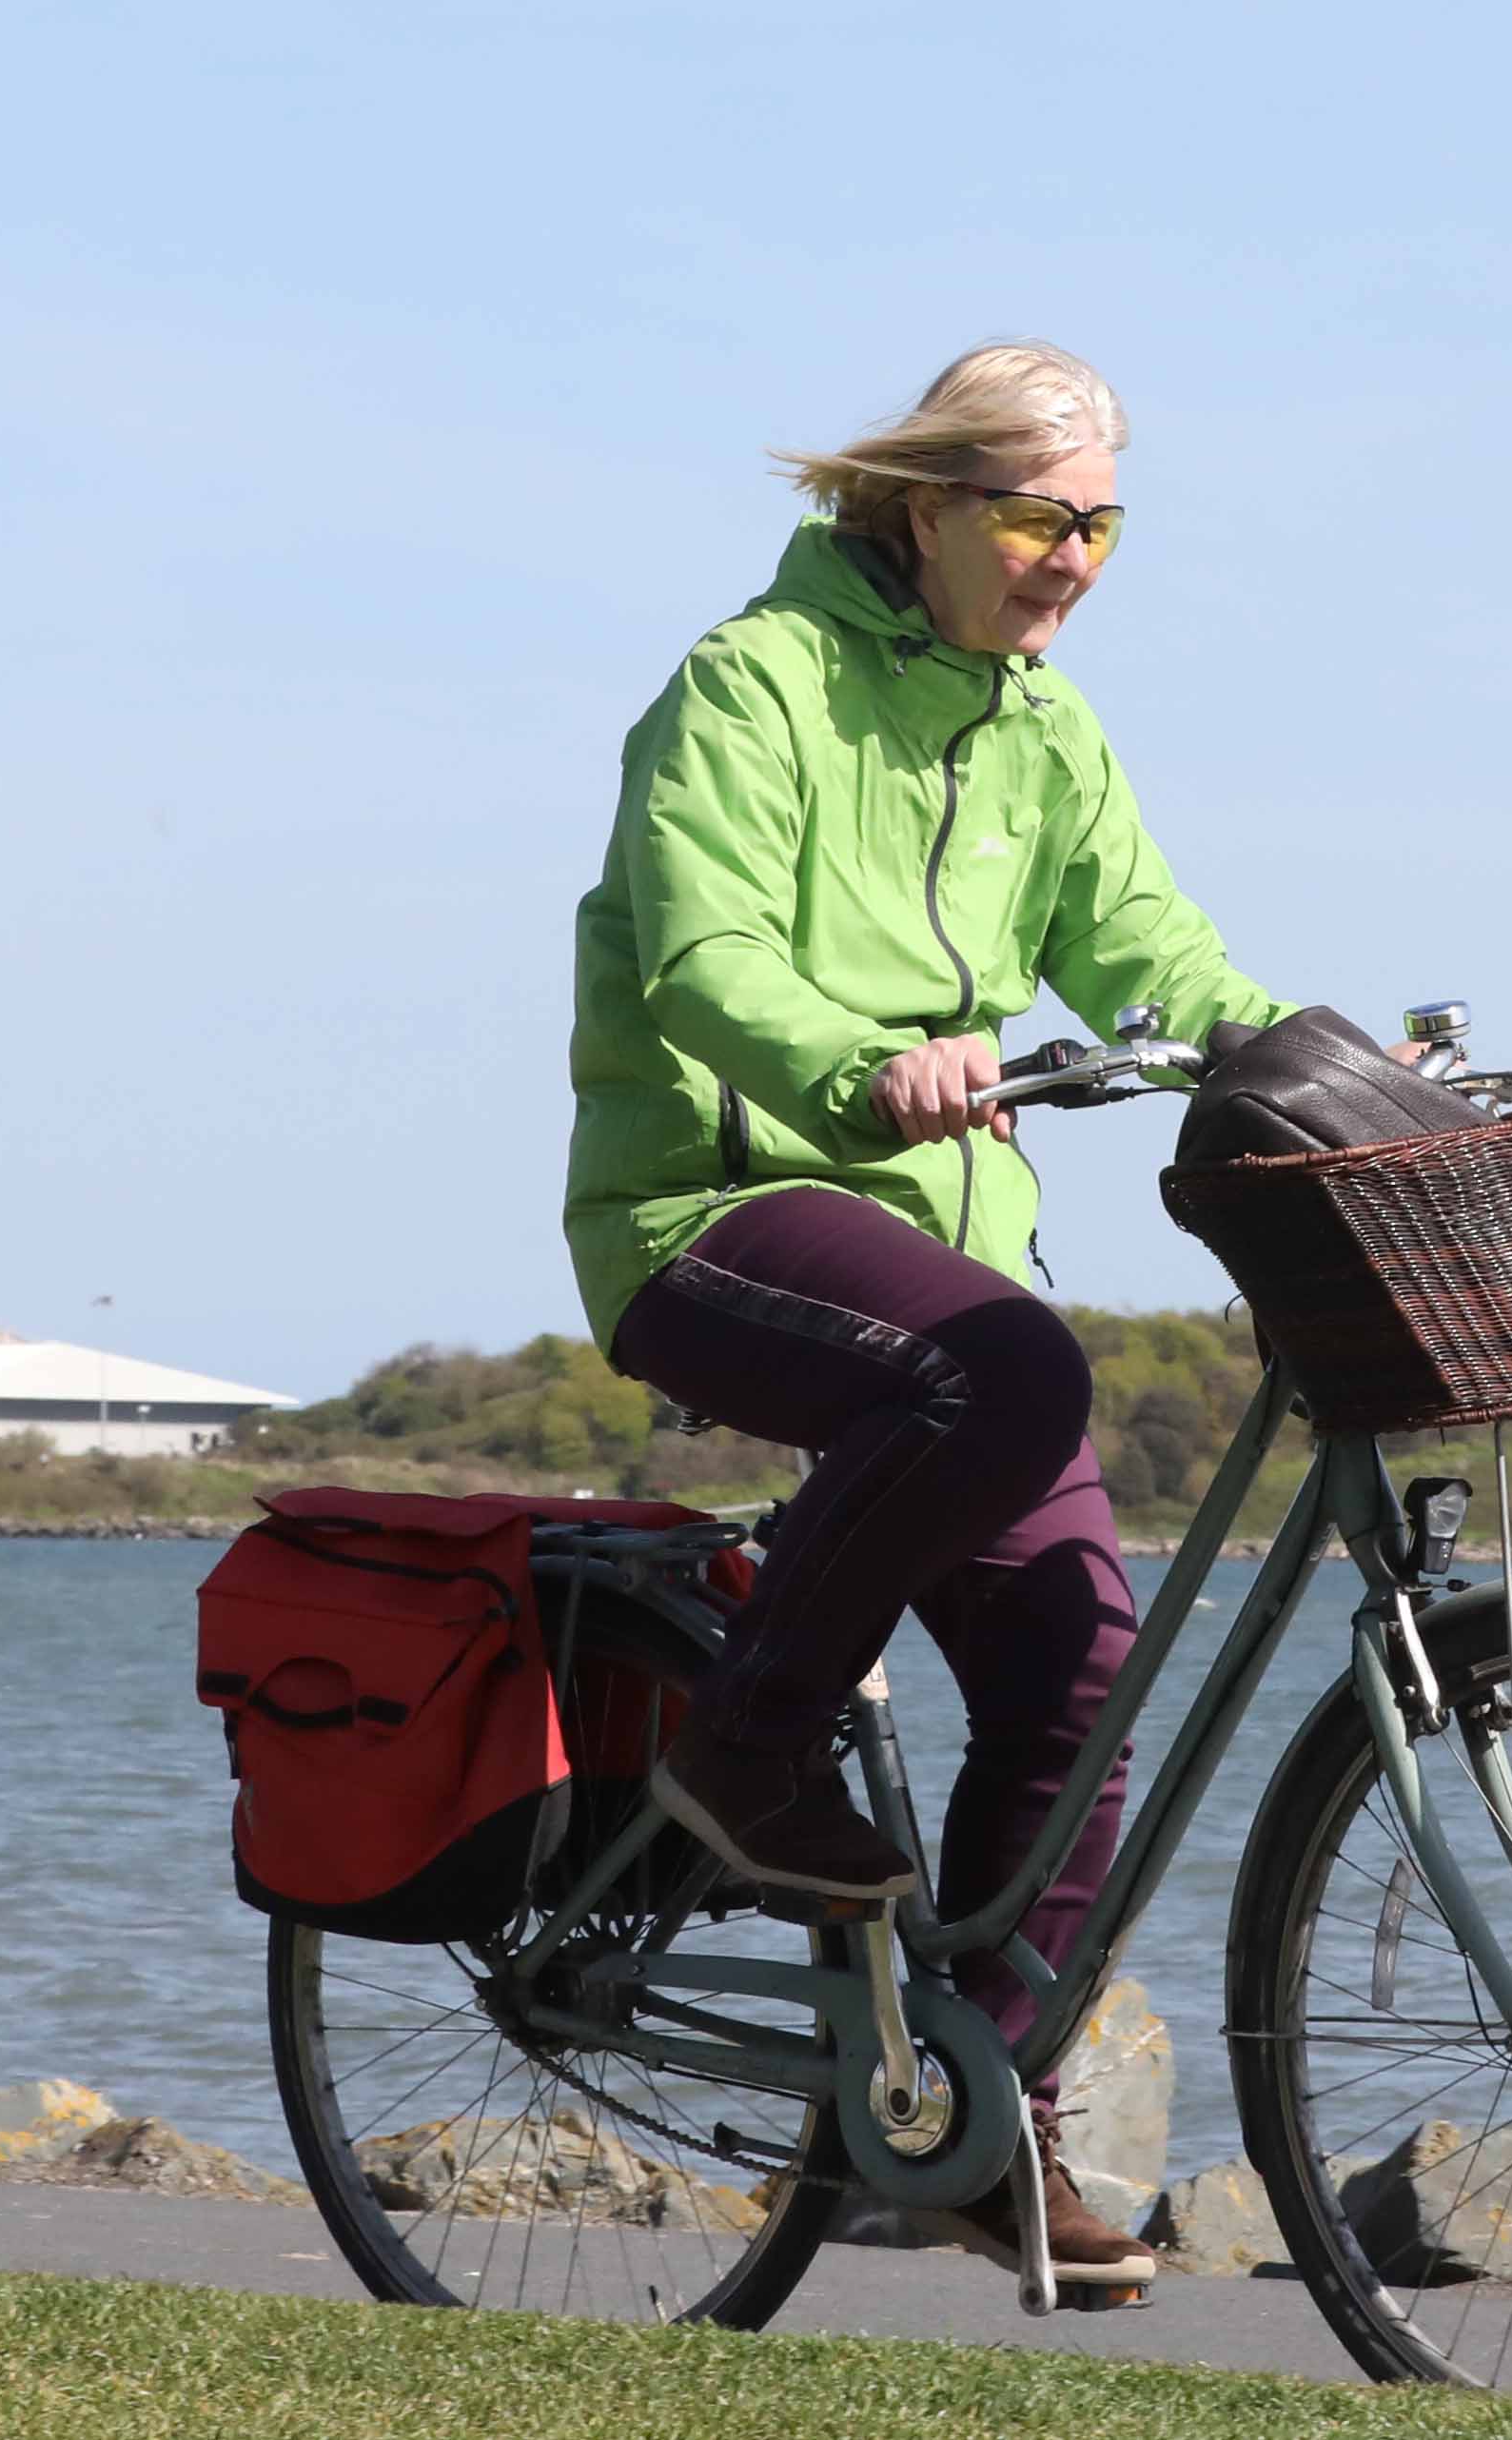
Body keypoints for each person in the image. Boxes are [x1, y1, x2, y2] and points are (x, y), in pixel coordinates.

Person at [557, 341, 1276, 2288]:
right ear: (926, 505)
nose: (1076, 561)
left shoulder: (1047, 731)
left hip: (947, 1258)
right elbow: (702, 955)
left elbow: (1147, 949)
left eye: (1104, 525)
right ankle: (746, 1744)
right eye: (1042, 519)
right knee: (1010, 1367)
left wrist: (1309, 1056)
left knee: (1084, 1671)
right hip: (714, 1207)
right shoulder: (752, 684)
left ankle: (972, 2124)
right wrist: (861, 1066)